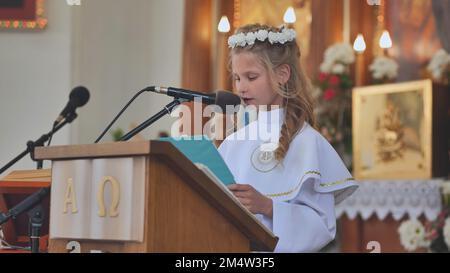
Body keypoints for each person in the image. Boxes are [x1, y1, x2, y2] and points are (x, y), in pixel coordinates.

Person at [218, 24, 358, 252]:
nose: (241, 88)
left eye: (251, 77)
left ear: (282, 74)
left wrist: (268, 207)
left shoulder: (307, 142)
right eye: (236, 78)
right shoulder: (233, 143)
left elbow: (321, 226)